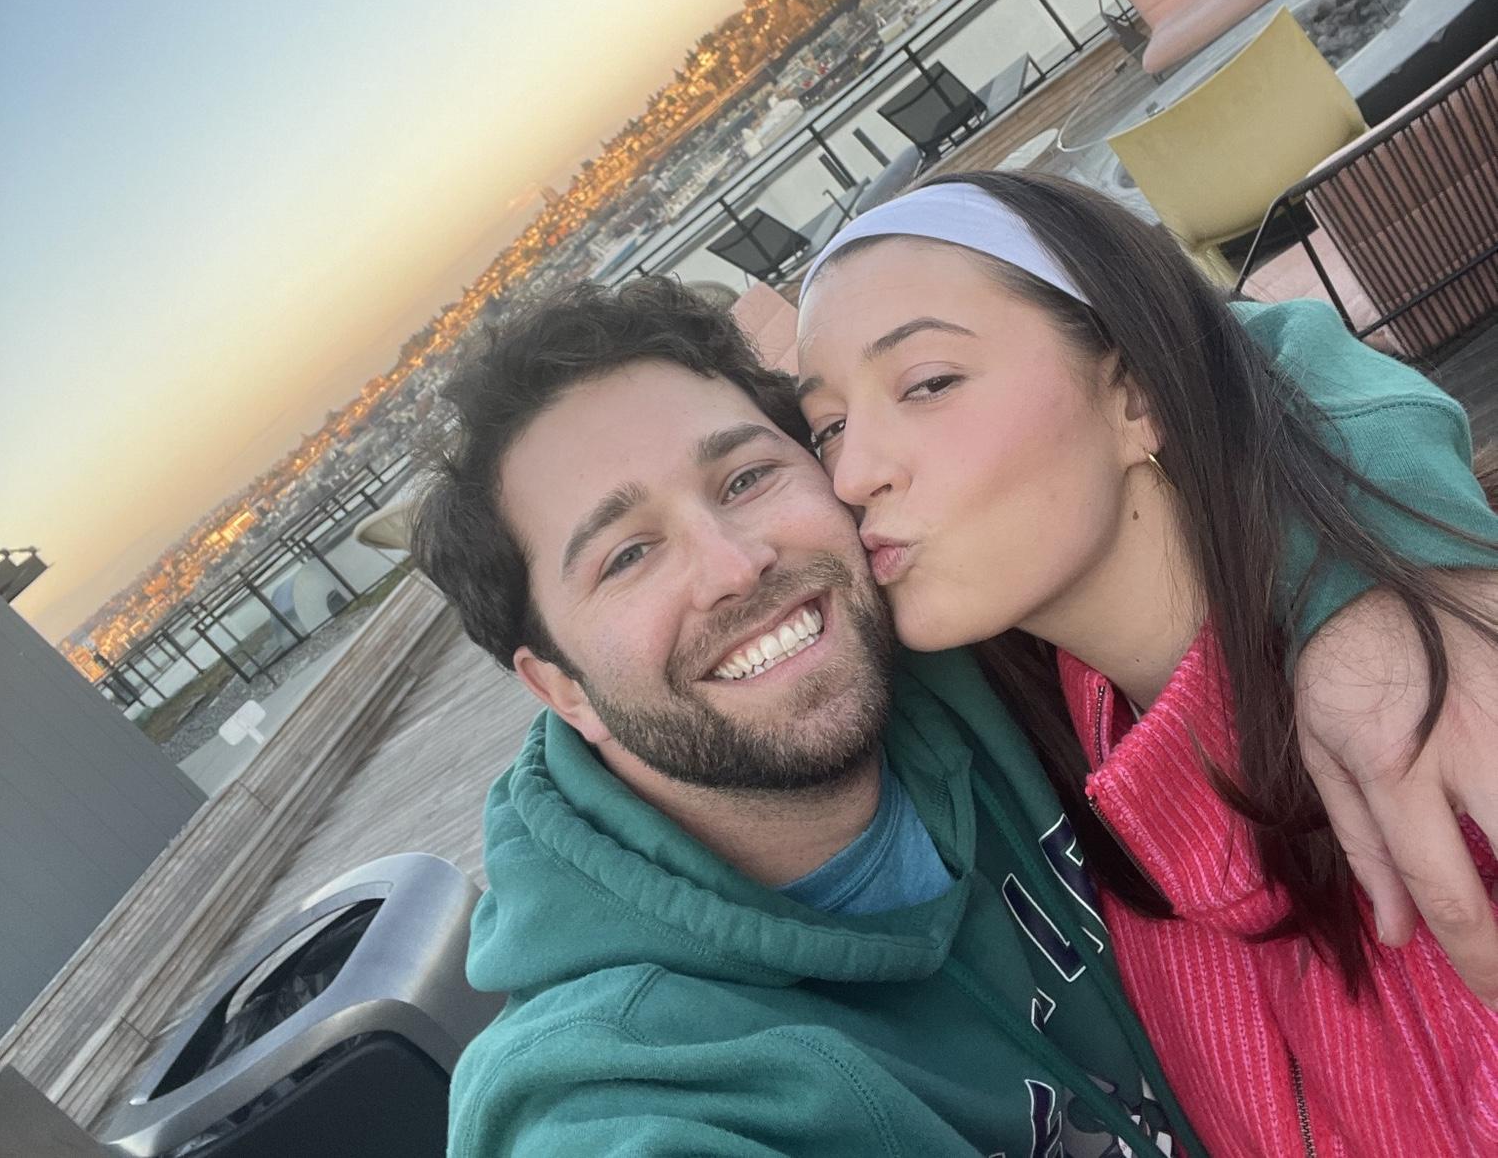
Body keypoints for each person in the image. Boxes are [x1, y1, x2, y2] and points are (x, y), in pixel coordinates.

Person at [415, 268, 1497, 1156]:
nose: (736, 567)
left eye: (745, 479)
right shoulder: (621, 1086)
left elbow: (1224, 353)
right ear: (561, 690)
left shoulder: (959, 634)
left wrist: (1368, 587)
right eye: (628, 555)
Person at [793, 172, 1498, 1156]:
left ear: (1135, 393)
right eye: (827, 427)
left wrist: (1382, 573)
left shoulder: (1445, 720)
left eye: (928, 383)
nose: (853, 473)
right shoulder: (1047, 787)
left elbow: (1227, 336)